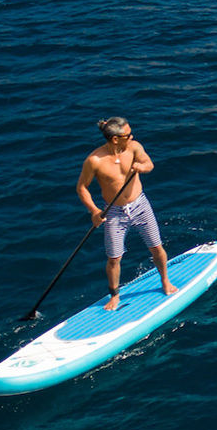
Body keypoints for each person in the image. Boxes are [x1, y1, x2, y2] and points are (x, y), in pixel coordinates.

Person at [75, 117, 176, 311]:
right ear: (115, 139)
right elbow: (82, 188)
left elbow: (149, 164)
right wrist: (94, 211)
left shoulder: (134, 147)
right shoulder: (94, 161)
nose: (132, 136)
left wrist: (142, 167)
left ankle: (165, 281)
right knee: (114, 258)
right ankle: (114, 296)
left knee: (156, 248)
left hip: (140, 205)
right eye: (127, 135)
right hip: (114, 212)